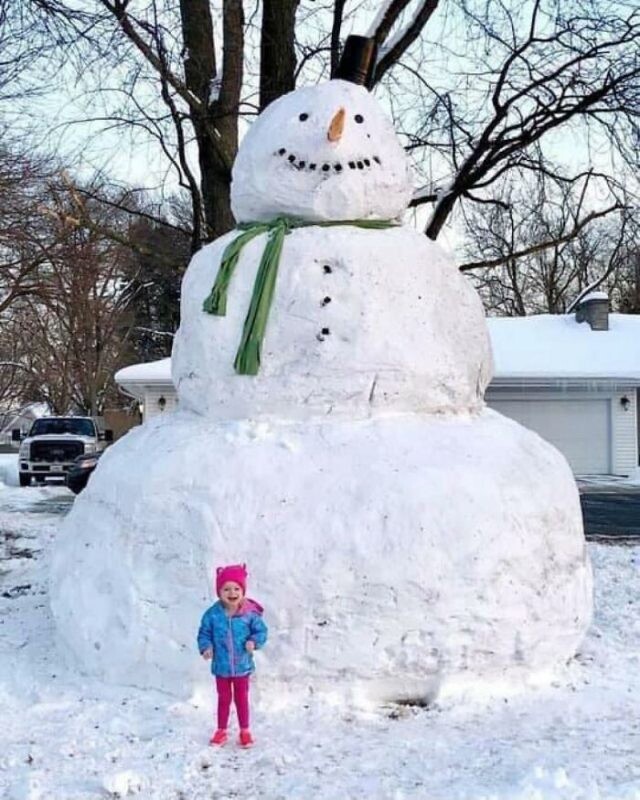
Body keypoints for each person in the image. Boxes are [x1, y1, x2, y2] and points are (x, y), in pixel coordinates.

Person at [197, 563, 268, 748]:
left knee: (241, 698)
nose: (232, 593)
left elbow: (261, 631)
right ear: (219, 592)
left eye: (237, 588)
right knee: (224, 698)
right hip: (221, 667)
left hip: (242, 666)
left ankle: (245, 731)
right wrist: (206, 647)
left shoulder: (249, 614)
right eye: (226, 589)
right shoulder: (212, 615)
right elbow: (204, 633)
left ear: (243, 590)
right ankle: (221, 730)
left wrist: (254, 641)